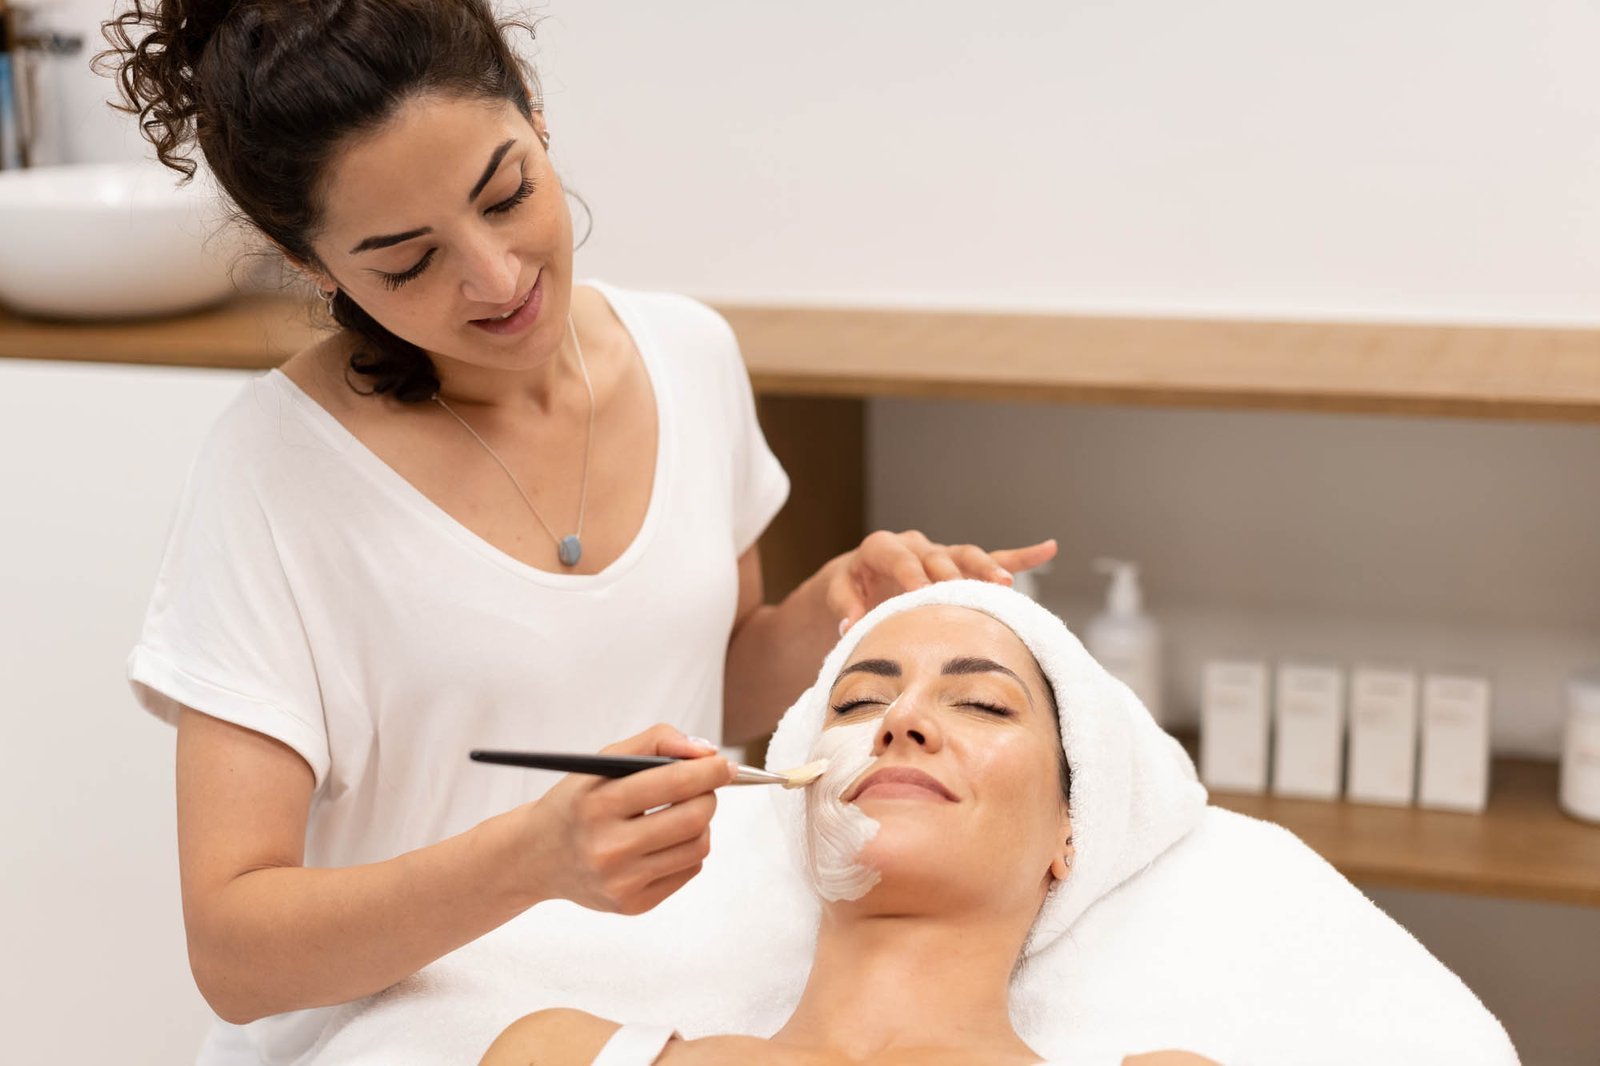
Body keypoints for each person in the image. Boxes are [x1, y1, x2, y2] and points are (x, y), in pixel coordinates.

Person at [104, 0, 1055, 1052]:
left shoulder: (689, 356)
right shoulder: (275, 473)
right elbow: (234, 957)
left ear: (536, 115)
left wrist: (835, 615)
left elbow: (708, 681)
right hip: (390, 1037)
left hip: (658, 1005)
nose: (497, 278)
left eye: (506, 194)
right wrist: (533, 858)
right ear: (315, 265)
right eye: (407, 261)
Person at [481, 598, 1215, 1065]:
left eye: (984, 705)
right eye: (860, 700)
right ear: (804, 802)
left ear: (1070, 830)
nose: (900, 721)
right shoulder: (562, 1055)